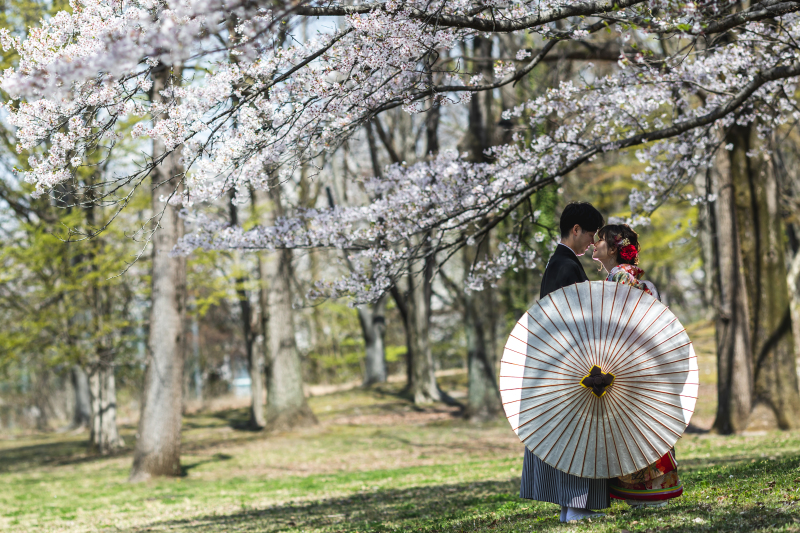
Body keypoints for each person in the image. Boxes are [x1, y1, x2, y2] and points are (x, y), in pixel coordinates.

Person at [520, 201, 608, 523]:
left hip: (555, 359)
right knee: (578, 433)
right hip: (571, 360)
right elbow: (574, 320)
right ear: (576, 229)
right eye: (591, 234)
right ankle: (576, 507)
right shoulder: (568, 266)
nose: (593, 242)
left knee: (566, 433)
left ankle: (569, 508)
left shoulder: (556, 263)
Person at [592, 223, 683, 508]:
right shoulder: (628, 277)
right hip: (640, 361)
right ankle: (651, 492)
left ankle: (645, 495)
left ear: (613, 248)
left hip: (626, 361)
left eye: (600, 240)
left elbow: (618, 324)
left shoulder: (620, 278)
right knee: (643, 424)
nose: (595, 244)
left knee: (633, 427)